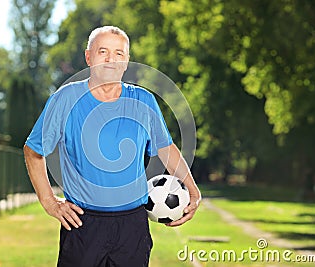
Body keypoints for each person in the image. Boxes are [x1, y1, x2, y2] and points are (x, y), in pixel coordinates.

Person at [23, 25, 201, 267]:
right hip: (82, 225)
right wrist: (49, 201)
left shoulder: (144, 101)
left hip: (132, 227)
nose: (111, 59)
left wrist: (193, 190)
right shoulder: (66, 98)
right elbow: (34, 151)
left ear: (127, 61)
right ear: (88, 57)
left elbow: (165, 148)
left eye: (119, 53)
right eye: (102, 51)